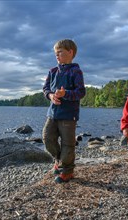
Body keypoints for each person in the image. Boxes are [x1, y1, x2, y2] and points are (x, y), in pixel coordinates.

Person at [42, 39, 86, 183]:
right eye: (56, 53)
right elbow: (46, 89)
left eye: (60, 52)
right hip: (53, 113)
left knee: (68, 144)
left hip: (69, 115)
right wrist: (51, 96)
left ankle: (67, 171)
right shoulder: (52, 71)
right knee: (47, 138)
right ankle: (58, 160)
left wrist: (65, 94)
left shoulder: (76, 71)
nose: (57, 55)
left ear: (70, 52)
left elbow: (80, 92)